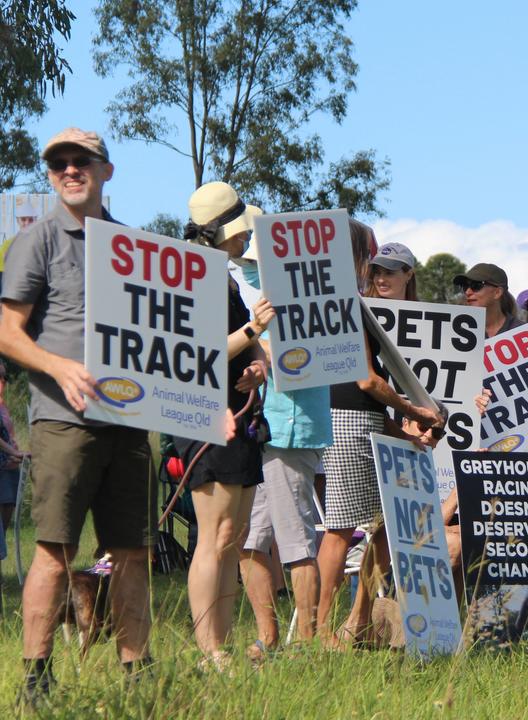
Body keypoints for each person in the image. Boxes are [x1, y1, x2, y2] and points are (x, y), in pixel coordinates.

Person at [0, 128, 154, 699]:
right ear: (49, 175)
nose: (69, 170)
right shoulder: (37, 241)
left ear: (106, 171)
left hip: (132, 422)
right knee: (56, 551)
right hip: (64, 420)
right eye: (59, 163)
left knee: (132, 552)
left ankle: (138, 674)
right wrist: (60, 368)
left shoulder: (133, 246)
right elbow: (7, 334)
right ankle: (35, 679)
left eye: (81, 161)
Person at [315, 220, 442, 645]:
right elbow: (366, 382)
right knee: (339, 529)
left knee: (388, 524)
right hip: (348, 423)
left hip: (364, 421)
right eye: (370, 258)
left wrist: (406, 433)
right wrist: (413, 410)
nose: (374, 269)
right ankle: (322, 631)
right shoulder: (346, 303)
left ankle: (359, 618)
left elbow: (367, 394)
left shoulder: (355, 303)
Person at [177, 182, 275, 669]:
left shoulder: (228, 279)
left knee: (231, 538)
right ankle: (208, 648)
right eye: (239, 232)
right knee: (213, 536)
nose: (244, 241)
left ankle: (223, 643)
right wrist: (253, 332)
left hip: (241, 418)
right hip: (204, 415)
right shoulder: (193, 278)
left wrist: (258, 364)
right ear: (221, 232)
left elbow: (241, 347)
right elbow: (201, 350)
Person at [235, 227, 331, 655]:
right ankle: (268, 637)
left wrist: (262, 348)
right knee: (248, 539)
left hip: (291, 430)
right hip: (256, 430)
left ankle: (306, 645)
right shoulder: (243, 290)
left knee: (295, 540)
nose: (249, 265)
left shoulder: (317, 293)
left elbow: (322, 353)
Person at [0, 360, 29, 561]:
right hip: (2, 466)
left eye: (5, 376)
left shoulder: (3, 405)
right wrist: (11, 450)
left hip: (10, 467)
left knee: (5, 521)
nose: (3, 381)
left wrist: (17, 450)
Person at [455, 262, 519, 338]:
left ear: (497, 292)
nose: (467, 292)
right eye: (465, 287)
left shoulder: (523, 331)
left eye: (476, 285)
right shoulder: (455, 332)